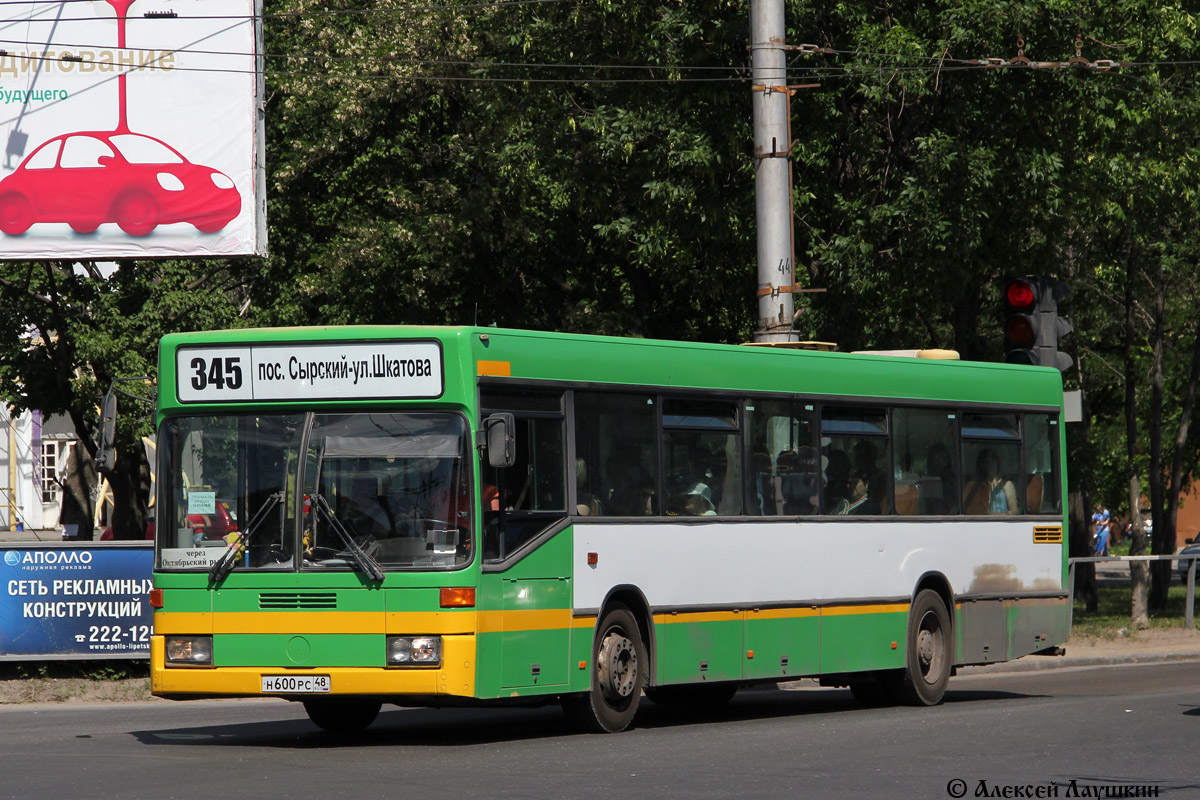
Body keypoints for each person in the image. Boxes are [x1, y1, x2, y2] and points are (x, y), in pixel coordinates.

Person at [970, 448, 1017, 516]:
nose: (990, 464)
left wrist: (993, 516)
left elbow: (1014, 511)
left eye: (992, 460)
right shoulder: (978, 486)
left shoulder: (1007, 484)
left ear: (997, 462)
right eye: (987, 462)